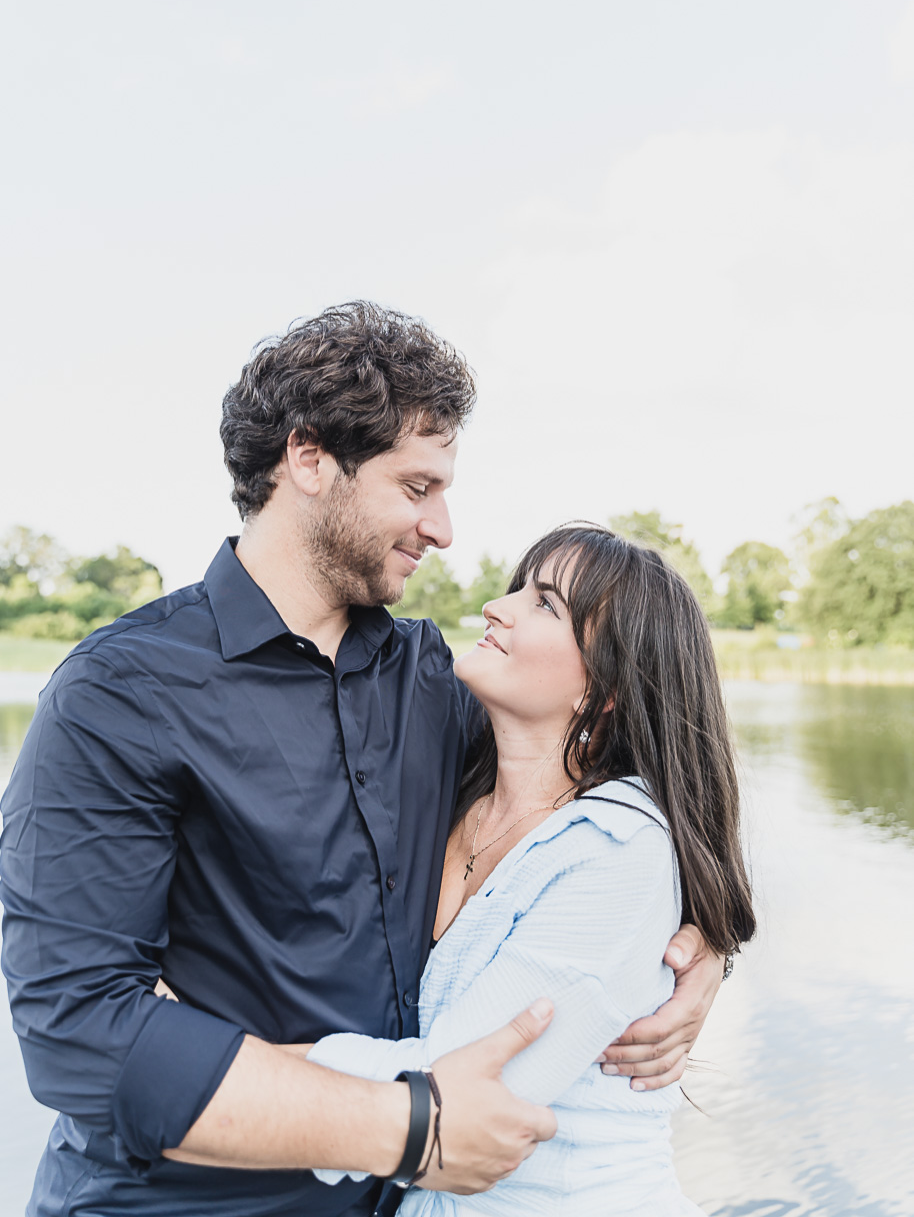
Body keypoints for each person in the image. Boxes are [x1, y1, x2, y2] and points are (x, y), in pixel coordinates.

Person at [1, 304, 726, 1217]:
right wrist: (410, 1128)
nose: (445, 528)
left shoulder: (440, 684)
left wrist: (696, 949)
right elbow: (77, 1034)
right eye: (417, 487)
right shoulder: (118, 692)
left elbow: (627, 788)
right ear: (310, 460)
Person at [304, 523, 756, 1214]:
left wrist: (213, 1061)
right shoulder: (450, 792)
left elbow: (449, 1099)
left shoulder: (618, 849)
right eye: (519, 587)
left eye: (545, 603)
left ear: (606, 689)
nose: (498, 606)